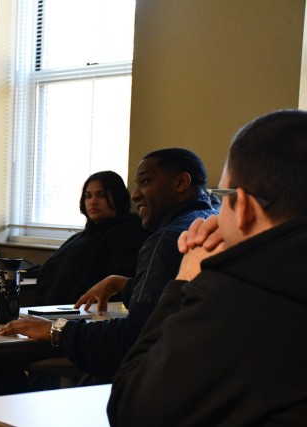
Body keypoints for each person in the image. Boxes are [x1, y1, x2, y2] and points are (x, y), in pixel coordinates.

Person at [107, 110, 307, 426]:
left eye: (222, 197)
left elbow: (131, 411)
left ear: (243, 209)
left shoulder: (233, 298)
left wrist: (185, 281)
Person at [0, 148, 219, 383]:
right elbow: (170, 302)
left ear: (181, 182)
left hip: (164, 378)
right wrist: (125, 285)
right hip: (204, 373)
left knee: (1, 359)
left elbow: (136, 337)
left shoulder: (164, 240)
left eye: (145, 181)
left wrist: (56, 330)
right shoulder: (213, 225)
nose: (135, 195)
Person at [36, 171, 149, 305]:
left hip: (91, 314)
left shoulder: (128, 234)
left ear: (117, 197)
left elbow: (117, 286)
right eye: (88, 196)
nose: (93, 202)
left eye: (101, 195)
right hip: (55, 311)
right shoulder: (82, 236)